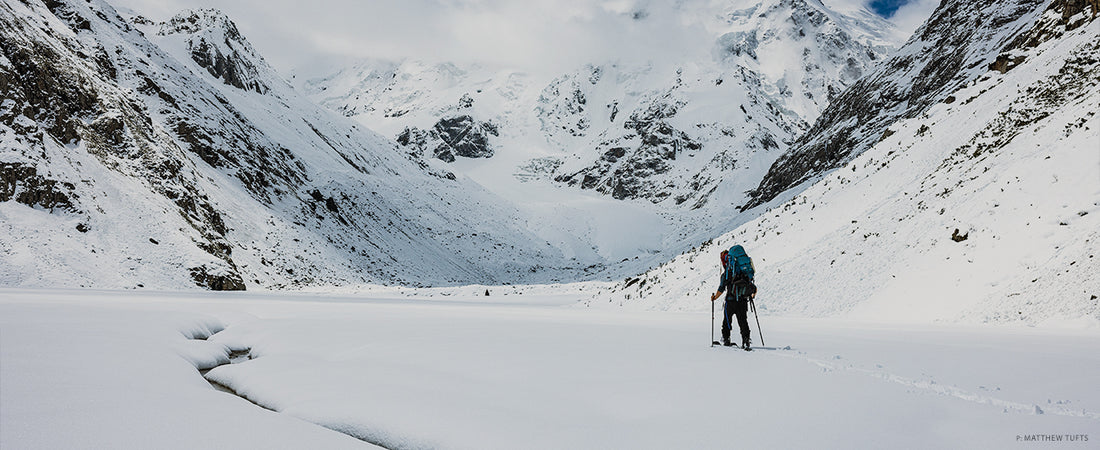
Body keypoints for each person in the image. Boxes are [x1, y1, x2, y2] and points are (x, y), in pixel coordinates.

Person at [710, 246, 756, 349]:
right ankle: (746, 340)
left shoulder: (727, 273)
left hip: (730, 301)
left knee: (727, 321)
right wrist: (751, 294)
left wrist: (714, 297)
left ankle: (726, 339)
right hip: (743, 300)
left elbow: (721, 288)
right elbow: (753, 287)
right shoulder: (744, 271)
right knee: (743, 321)